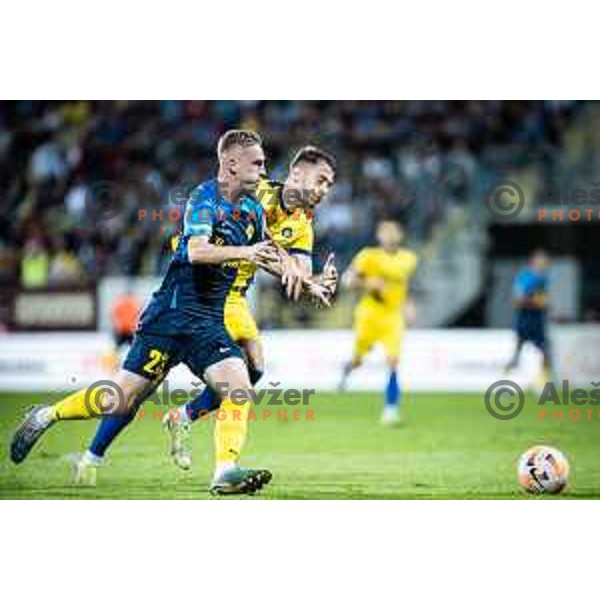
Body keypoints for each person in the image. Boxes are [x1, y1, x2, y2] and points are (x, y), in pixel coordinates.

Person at [10, 130, 329, 495]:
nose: (263, 168)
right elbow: (196, 251)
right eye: (256, 162)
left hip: (208, 322)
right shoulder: (205, 198)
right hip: (171, 315)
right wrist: (246, 254)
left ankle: (225, 470)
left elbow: (269, 254)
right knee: (120, 399)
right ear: (231, 163)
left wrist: (308, 283)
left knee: (239, 386)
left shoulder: (254, 209)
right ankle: (45, 415)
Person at [338, 221, 418, 424]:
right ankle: (348, 367)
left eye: (394, 233)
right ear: (379, 236)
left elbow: (404, 286)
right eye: (386, 233)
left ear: (399, 236)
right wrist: (366, 283)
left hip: (392, 315)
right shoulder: (368, 256)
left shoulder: (408, 259)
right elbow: (347, 280)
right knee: (358, 360)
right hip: (369, 313)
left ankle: (391, 408)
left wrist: (408, 305)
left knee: (393, 361)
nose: (390, 237)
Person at [504, 249, 552, 383]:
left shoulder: (543, 279)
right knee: (517, 356)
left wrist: (543, 302)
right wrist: (537, 302)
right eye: (541, 261)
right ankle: (503, 382)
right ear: (534, 261)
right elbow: (518, 300)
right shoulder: (526, 277)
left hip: (537, 321)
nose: (544, 264)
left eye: (545, 261)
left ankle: (544, 383)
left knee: (546, 352)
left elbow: (543, 300)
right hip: (525, 321)